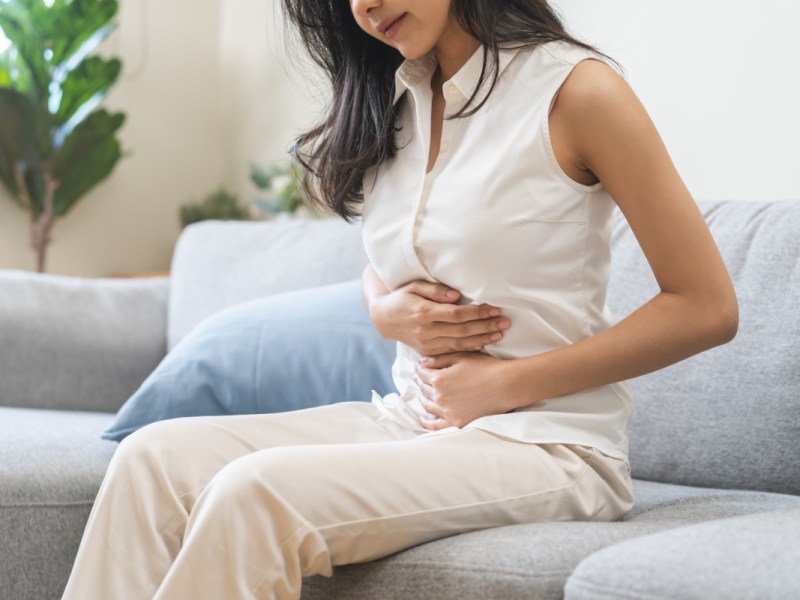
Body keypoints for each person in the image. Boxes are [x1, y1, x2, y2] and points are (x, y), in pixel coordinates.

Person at [62, 1, 739, 598]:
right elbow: (387, 263)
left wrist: (506, 386)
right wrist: (383, 309)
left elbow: (706, 306)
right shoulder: (397, 98)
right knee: (151, 460)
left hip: (547, 445)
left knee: (255, 495)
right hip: (409, 423)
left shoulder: (577, 91)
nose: (365, 4)